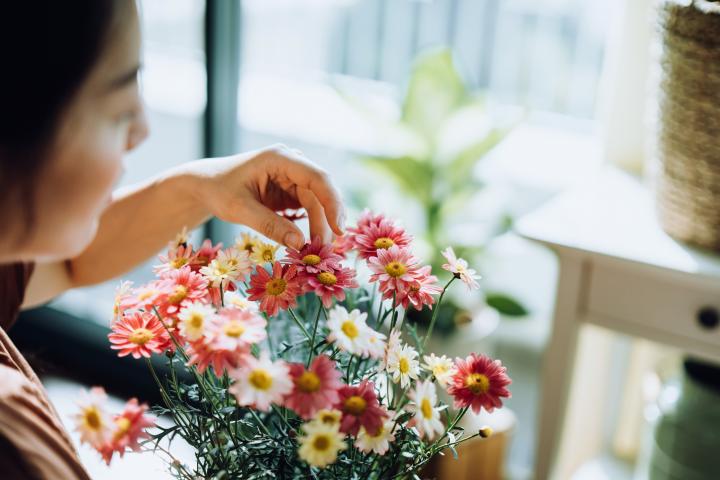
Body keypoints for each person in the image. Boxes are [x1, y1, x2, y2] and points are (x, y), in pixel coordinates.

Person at [0, 1, 344, 478]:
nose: (142, 130)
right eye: (119, 106)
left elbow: (72, 263)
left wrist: (201, 187)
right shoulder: (12, 442)